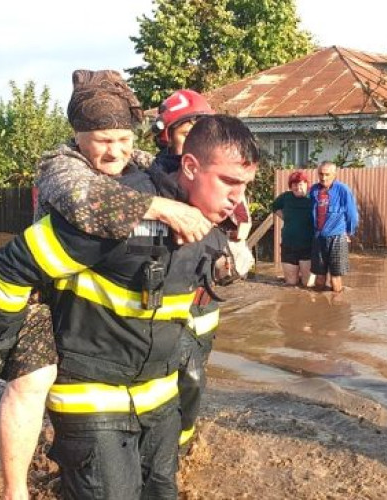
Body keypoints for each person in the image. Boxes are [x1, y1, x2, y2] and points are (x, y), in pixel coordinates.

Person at [0, 71, 259, 499]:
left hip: (157, 398)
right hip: (92, 395)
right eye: (229, 184)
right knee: (28, 388)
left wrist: (224, 270)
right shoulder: (100, 203)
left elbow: (195, 292)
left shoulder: (205, 212)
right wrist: (4, 340)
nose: (238, 198)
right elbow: (13, 266)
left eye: (243, 186)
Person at [150, 89, 253, 450]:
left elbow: (239, 229)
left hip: (202, 301)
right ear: (168, 137)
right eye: (184, 130)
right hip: (163, 303)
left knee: (193, 378)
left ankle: (183, 440)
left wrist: (235, 254)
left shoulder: (226, 184)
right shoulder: (152, 183)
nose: (192, 135)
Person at [309, 161, 359, 293]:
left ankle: (336, 309)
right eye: (321, 174)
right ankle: (317, 307)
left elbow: (352, 214)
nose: (323, 178)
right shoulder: (314, 190)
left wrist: (349, 232)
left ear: (334, 174)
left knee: (335, 278)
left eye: (327, 174)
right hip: (319, 238)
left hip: (337, 237)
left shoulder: (343, 190)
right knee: (319, 277)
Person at [271, 170, 314, 287]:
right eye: (294, 184)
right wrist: (286, 218)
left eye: (300, 183)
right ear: (290, 186)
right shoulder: (286, 197)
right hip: (289, 245)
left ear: (306, 184)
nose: (297, 187)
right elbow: (274, 207)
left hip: (308, 246)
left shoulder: (313, 197)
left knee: (308, 284)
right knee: (291, 284)